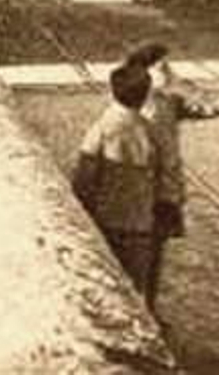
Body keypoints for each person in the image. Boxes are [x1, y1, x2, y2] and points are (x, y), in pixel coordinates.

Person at [119, 42, 219, 309]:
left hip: (163, 193)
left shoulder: (170, 103)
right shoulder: (126, 106)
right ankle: (133, 310)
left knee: (155, 255)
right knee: (131, 256)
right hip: (133, 193)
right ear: (144, 71)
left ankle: (149, 311)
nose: (170, 71)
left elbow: (211, 106)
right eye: (162, 66)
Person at [72, 63, 161, 295]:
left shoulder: (102, 128)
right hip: (141, 225)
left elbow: (84, 179)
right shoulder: (150, 131)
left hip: (107, 221)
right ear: (144, 96)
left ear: (113, 91)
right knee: (135, 290)